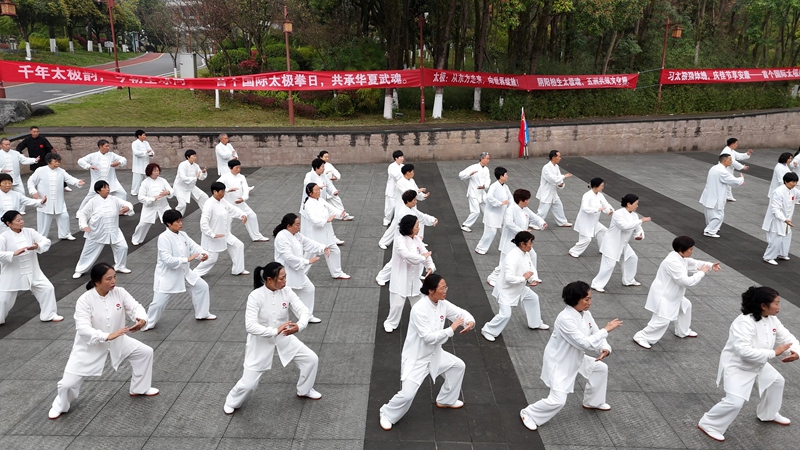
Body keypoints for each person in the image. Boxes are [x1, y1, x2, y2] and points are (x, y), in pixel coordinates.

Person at [48, 263, 158, 420]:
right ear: (96, 282)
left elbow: (135, 307)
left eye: (114, 277)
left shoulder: (120, 292)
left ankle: (140, 388)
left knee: (145, 352)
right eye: (108, 278)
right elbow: (83, 328)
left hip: (117, 339)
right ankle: (60, 405)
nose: (113, 281)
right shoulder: (84, 300)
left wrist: (142, 320)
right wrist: (106, 336)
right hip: (89, 346)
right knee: (67, 384)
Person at [697, 286, 800, 442]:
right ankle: (709, 423)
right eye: (776, 303)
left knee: (776, 382)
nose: (779, 307)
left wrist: (796, 352)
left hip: (758, 363)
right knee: (734, 402)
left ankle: (768, 413)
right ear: (763, 306)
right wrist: (774, 353)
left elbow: (787, 337)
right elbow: (743, 351)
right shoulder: (743, 322)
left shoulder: (772, 319)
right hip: (738, 366)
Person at [520, 281, 621, 431]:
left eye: (590, 299)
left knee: (600, 368)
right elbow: (584, 343)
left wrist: (605, 347)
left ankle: (593, 402)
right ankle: (529, 413)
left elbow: (595, 332)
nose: (589, 303)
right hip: (560, 362)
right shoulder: (565, 319)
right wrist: (607, 330)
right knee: (558, 401)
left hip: (576, 357)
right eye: (586, 299)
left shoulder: (585, 314)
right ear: (575, 300)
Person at [379, 274, 475, 430]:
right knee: (407, 394)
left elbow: (460, 313)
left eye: (446, 287)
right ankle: (387, 413)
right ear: (431, 291)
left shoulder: (442, 303)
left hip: (435, 354)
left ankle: (446, 399)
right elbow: (428, 338)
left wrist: (469, 321)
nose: (446, 291)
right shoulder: (419, 310)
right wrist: (451, 329)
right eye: (442, 288)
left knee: (458, 366)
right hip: (417, 358)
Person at [223, 262, 321, 415]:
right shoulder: (255, 296)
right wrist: (274, 330)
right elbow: (250, 326)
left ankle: (305, 389)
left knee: (311, 359)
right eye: (282, 278)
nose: (285, 281)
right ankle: (231, 401)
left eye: (285, 277)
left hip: (284, 336)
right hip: (260, 342)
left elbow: (303, 310)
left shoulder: (287, 292)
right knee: (248, 384)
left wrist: (299, 326)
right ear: (269, 279)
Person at [632, 236, 719, 349]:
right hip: (663, 296)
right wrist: (702, 273)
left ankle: (682, 331)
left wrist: (711, 265)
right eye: (690, 249)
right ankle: (641, 337)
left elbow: (694, 263)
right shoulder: (672, 262)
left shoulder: (680, 257)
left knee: (686, 306)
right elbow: (686, 282)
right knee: (663, 320)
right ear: (682, 249)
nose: (692, 251)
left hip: (672, 294)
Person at [142, 210, 215, 331]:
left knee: (202, 287)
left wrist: (202, 254)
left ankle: (202, 314)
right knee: (158, 303)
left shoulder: (183, 235)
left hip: (185, 273)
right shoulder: (163, 238)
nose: (181, 223)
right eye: (177, 221)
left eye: (181, 220)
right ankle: (147, 323)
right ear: (168, 223)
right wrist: (186, 259)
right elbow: (167, 259)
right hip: (167, 276)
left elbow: (194, 247)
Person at [481, 231, 548, 342]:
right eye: (530, 243)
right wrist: (524, 278)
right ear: (522, 244)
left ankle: (535, 323)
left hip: (519, 288)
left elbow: (531, 269)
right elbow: (509, 278)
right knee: (505, 315)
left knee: (533, 298)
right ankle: (487, 330)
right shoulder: (512, 257)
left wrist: (533, 279)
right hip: (506, 291)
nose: (532, 245)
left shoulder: (525, 253)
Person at [0, 210, 62, 324]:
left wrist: (37, 246)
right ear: (9, 223)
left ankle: (49, 314)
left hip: (33, 271)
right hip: (12, 273)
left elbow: (46, 241)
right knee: (3, 299)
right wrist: (13, 253)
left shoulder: (29, 232)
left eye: (21, 219)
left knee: (47, 289)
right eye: (17, 220)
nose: (21, 222)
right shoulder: (3, 237)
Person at [273, 213, 330, 324]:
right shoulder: (281, 237)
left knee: (309, 289)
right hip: (286, 273)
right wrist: (307, 261)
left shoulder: (296, 235)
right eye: (297, 225)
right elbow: (288, 257)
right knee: (284, 298)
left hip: (296, 271)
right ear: (289, 226)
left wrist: (322, 247)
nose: (299, 227)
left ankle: (307, 315)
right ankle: (276, 321)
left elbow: (308, 242)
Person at [384, 215, 436, 333]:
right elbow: (407, 256)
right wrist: (423, 258)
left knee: (419, 303)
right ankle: (390, 322)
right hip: (400, 279)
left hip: (413, 279)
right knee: (397, 305)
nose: (418, 228)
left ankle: (421, 323)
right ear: (410, 228)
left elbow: (425, 253)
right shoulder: (399, 240)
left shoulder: (417, 239)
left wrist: (430, 267)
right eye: (417, 226)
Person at [73, 181, 135, 279]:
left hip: (114, 230)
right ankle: (80, 270)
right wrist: (84, 225)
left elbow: (127, 203)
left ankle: (120, 266)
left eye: (108, 187)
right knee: (88, 252)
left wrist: (128, 208)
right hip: (96, 231)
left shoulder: (114, 199)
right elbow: (83, 213)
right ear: (98, 191)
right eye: (104, 188)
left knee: (123, 247)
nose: (108, 189)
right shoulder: (93, 201)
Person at [590, 194, 650, 293]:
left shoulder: (635, 215)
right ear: (628, 204)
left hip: (623, 244)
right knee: (609, 265)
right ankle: (597, 284)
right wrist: (641, 221)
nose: (637, 206)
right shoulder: (618, 214)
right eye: (635, 204)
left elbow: (638, 229)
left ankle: (628, 280)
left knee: (632, 258)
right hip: (612, 243)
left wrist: (639, 236)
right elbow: (624, 226)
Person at [487, 188, 545, 287]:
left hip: (523, 241)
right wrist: (521, 231)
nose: (528, 201)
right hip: (510, 242)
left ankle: (532, 277)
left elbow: (534, 217)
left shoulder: (525, 209)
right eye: (527, 199)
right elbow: (509, 224)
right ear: (521, 200)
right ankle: (492, 277)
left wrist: (541, 223)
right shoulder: (511, 209)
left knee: (532, 255)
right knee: (504, 263)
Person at [192, 182, 249, 277]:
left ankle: (238, 270)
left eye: (224, 191)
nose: (223, 194)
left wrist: (242, 215)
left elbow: (232, 209)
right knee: (212, 258)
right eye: (222, 191)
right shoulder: (209, 204)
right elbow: (203, 223)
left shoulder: (223, 201)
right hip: (214, 237)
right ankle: (194, 274)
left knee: (238, 245)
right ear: (215, 192)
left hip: (225, 234)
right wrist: (212, 234)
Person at [27, 153, 84, 241]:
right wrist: (33, 192)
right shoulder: (40, 170)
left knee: (64, 216)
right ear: (49, 162)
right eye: (55, 161)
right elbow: (31, 182)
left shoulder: (61, 171)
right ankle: (42, 236)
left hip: (59, 200)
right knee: (44, 219)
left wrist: (78, 182)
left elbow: (69, 178)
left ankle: (65, 234)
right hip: (45, 200)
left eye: (59, 162)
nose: (57, 163)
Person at [300, 183, 350, 279]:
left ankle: (337, 273)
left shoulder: (321, 201)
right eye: (316, 190)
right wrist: (326, 221)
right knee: (309, 256)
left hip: (326, 234)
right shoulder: (308, 205)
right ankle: (300, 274)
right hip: (316, 236)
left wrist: (341, 214)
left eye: (319, 189)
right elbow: (314, 220)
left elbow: (332, 210)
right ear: (310, 193)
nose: (319, 191)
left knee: (335, 251)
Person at [217, 160, 269, 242]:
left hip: (241, 203)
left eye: (239, 167)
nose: (238, 169)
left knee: (252, 216)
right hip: (228, 205)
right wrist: (227, 190)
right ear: (230, 168)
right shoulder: (224, 177)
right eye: (236, 168)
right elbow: (217, 186)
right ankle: (223, 238)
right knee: (226, 221)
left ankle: (256, 236)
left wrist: (243, 198)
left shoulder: (241, 177)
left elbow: (245, 189)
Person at [699, 154, 745, 238]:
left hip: (709, 195)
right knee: (718, 215)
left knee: (710, 215)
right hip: (716, 197)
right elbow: (733, 180)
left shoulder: (714, 167)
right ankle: (710, 230)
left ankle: (712, 227)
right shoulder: (722, 171)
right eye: (730, 160)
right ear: (724, 161)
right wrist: (741, 179)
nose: (731, 161)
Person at [762, 172, 800, 265]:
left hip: (787, 219)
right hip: (777, 219)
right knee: (776, 238)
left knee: (787, 235)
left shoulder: (794, 190)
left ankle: (782, 254)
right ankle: (768, 257)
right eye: (792, 182)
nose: (794, 184)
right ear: (786, 181)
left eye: (796, 182)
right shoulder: (778, 191)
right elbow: (775, 208)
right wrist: (784, 219)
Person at [569, 178, 614, 258]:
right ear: (596, 186)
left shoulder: (600, 195)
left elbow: (605, 204)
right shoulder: (587, 196)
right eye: (601, 186)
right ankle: (573, 251)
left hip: (594, 221)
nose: (603, 187)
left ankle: (603, 249)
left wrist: (609, 210)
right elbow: (585, 208)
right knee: (586, 239)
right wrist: (597, 209)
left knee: (603, 231)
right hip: (585, 222)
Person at [77, 139, 127, 210]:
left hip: (111, 181)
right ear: (100, 146)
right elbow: (80, 161)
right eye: (106, 146)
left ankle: (120, 209)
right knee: (90, 197)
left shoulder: (111, 155)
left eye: (108, 146)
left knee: (122, 193)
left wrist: (118, 163)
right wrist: (89, 166)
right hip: (97, 182)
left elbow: (123, 159)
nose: (108, 148)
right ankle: (81, 211)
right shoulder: (93, 156)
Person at [131, 163, 173, 246]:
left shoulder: (162, 180)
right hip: (150, 207)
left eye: (158, 170)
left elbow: (171, 190)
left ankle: (172, 239)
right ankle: (136, 238)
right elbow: (140, 197)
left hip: (163, 206)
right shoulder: (145, 183)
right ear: (150, 172)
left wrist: (167, 192)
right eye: (155, 171)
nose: (157, 172)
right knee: (143, 223)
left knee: (170, 221)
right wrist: (153, 199)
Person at [475, 167, 511, 255]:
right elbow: (489, 197)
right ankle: (480, 248)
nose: (507, 176)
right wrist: (500, 203)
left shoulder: (505, 187)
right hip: (492, 214)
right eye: (505, 174)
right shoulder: (494, 186)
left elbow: (510, 198)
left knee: (506, 231)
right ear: (501, 176)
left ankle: (507, 248)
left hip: (502, 213)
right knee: (491, 232)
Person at [536, 150, 573, 227]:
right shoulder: (546, 168)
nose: (560, 158)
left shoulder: (556, 167)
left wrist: (561, 184)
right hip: (546, 192)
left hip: (553, 192)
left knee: (558, 206)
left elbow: (558, 179)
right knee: (542, 211)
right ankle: (535, 223)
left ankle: (562, 222)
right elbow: (552, 179)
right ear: (553, 157)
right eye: (558, 156)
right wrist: (564, 176)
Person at [459, 152, 491, 232]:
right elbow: (461, 175)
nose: (488, 160)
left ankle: (489, 222)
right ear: (482, 159)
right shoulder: (473, 167)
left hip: (482, 193)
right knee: (476, 211)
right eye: (487, 159)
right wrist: (470, 174)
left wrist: (484, 186)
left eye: (488, 159)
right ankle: (465, 225)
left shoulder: (486, 169)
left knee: (487, 208)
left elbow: (488, 180)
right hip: (473, 192)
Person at [318, 150, 353, 220]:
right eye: (325, 157)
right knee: (321, 205)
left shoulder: (329, 165)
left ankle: (344, 215)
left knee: (337, 201)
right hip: (320, 190)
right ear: (321, 157)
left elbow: (336, 172)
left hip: (330, 188)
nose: (327, 159)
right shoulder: (316, 166)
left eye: (328, 157)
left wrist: (335, 177)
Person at [173, 149, 209, 216]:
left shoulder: (196, 166)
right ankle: (174, 218)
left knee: (204, 197)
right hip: (180, 187)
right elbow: (183, 178)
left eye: (195, 156)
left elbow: (200, 177)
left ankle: (206, 214)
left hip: (191, 186)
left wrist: (203, 173)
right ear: (188, 157)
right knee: (182, 205)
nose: (195, 158)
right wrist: (195, 177)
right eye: (193, 156)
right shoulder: (182, 165)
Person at [720, 138, 752, 202]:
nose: (736, 145)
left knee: (728, 183)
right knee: (727, 182)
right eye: (736, 143)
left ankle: (728, 196)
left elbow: (738, 156)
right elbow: (732, 161)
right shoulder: (727, 151)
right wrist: (742, 167)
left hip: (728, 168)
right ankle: (725, 196)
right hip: (725, 168)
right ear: (732, 144)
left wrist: (747, 154)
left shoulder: (731, 150)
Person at [130, 130, 155, 196]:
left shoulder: (146, 143)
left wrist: (151, 154)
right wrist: (146, 152)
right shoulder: (134, 143)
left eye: (145, 135)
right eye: (143, 135)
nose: (145, 136)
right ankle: (134, 191)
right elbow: (136, 153)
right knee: (137, 180)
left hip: (146, 163)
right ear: (139, 136)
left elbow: (151, 150)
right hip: (138, 164)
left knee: (147, 178)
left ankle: (147, 191)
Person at [384, 150, 405, 226]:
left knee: (400, 206)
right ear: (396, 158)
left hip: (400, 190)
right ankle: (387, 219)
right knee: (391, 206)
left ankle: (399, 220)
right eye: (401, 157)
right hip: (392, 190)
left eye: (403, 157)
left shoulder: (403, 166)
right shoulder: (391, 167)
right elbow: (396, 176)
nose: (402, 158)